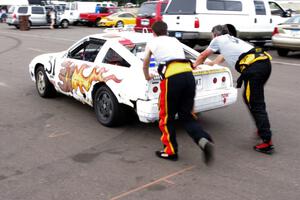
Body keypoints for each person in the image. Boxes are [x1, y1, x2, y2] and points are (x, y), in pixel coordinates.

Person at [193, 25, 274, 154]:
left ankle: (267, 140)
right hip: (264, 64)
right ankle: (262, 127)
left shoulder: (217, 39)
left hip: (255, 68)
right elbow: (224, 55)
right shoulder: (232, 40)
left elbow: (203, 55)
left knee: (255, 102)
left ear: (215, 34)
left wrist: (193, 66)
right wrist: (213, 63)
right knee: (250, 99)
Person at [143, 21, 214, 164]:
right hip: (188, 76)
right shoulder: (174, 40)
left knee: (166, 117)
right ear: (166, 31)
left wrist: (147, 76)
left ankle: (170, 151)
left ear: (153, 32)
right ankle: (202, 138)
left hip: (172, 79)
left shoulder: (152, 42)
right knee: (186, 115)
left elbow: (145, 64)